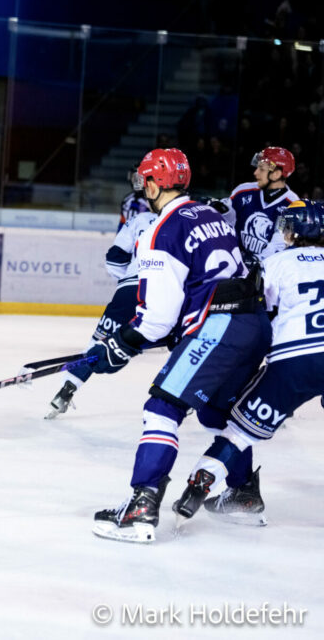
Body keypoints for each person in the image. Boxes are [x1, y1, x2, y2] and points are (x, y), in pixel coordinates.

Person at [86, 147, 272, 543]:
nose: (143, 187)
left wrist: (119, 346)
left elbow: (156, 318)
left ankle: (141, 505)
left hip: (218, 325)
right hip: (252, 324)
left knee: (162, 406)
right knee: (215, 411)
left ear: (154, 183)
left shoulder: (161, 228)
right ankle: (242, 495)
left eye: (145, 179)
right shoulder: (209, 213)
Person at [173, 200, 324, 527]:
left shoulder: (277, 261)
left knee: (239, 432)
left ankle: (197, 489)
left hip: (293, 361)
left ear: (294, 231)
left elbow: (258, 314)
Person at [48, 180, 157, 418]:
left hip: (132, 289)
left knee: (97, 344)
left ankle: (67, 389)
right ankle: (181, 399)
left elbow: (114, 259)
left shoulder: (140, 219)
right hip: (175, 296)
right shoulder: (190, 219)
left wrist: (129, 279)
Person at [216, 147, 299, 263]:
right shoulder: (243, 191)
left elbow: (279, 245)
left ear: (276, 174)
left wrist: (255, 262)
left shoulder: (293, 205)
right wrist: (218, 209)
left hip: (266, 273)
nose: (255, 173)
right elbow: (227, 222)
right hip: (235, 266)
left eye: (261, 169)